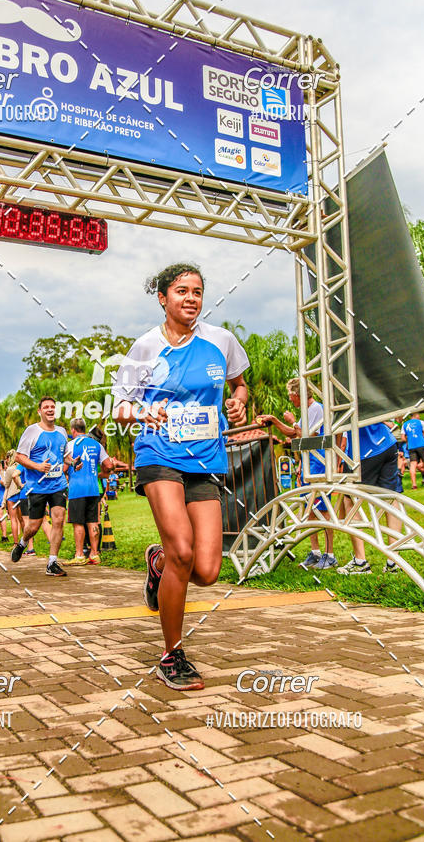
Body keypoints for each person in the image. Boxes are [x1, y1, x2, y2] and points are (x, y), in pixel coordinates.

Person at [112, 263, 249, 691]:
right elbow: (119, 409)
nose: (190, 298)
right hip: (159, 453)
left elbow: (240, 385)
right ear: (163, 298)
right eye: (181, 291)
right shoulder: (145, 348)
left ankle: (158, 564)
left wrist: (238, 403)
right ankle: (172, 656)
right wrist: (142, 410)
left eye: (197, 291)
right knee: (183, 552)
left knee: (207, 570)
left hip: (205, 458)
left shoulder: (221, 341)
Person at [259, 378, 338, 570]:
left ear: (297, 395)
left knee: (323, 511)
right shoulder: (305, 412)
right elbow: (294, 434)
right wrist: (275, 421)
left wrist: (293, 422)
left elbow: (305, 435)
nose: (290, 399)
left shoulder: (317, 409)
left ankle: (330, 554)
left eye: (290, 395)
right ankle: (316, 552)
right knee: (310, 510)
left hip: (318, 466)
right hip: (307, 466)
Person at [10, 396, 80, 576]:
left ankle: (52, 563)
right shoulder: (32, 431)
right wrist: (38, 466)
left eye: (52, 407)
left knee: (58, 520)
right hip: (37, 487)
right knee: (34, 525)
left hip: (58, 485)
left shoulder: (62, 432)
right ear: (39, 411)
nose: (50, 410)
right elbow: (19, 457)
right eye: (46, 407)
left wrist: (72, 463)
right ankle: (23, 543)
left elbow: (63, 456)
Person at [337, 422, 402, 575]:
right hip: (388, 443)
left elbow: (337, 428)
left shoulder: (344, 397)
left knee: (350, 499)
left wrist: (336, 460)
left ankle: (360, 562)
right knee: (390, 499)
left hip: (364, 450)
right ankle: (394, 562)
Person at [63, 417, 114, 566]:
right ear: (84, 429)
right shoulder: (97, 445)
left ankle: (79, 555)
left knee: (78, 523)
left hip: (77, 489)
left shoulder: (71, 445)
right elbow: (109, 465)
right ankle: (94, 554)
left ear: (73, 430)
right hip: (93, 489)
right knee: (93, 521)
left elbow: (65, 468)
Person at [401, 412, 424, 489]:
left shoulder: (405, 424)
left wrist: (408, 441)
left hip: (411, 447)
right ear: (415, 415)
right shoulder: (421, 422)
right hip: (421, 445)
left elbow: (403, 438)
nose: (419, 416)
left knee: (413, 465)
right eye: (418, 415)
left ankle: (414, 485)